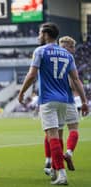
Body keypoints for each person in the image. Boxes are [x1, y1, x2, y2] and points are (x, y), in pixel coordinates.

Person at [18, 22, 89, 185]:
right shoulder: (67, 54)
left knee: (52, 137)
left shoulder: (40, 51)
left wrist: (22, 92)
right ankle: (55, 170)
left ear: (45, 34)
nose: (38, 36)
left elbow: (31, 75)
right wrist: (84, 101)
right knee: (58, 134)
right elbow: (76, 79)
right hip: (65, 100)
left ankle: (61, 174)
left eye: (39, 33)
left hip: (48, 100)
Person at [43, 36, 84, 173]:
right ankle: (68, 153)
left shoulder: (49, 57)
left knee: (53, 133)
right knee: (73, 129)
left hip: (51, 99)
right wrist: (84, 100)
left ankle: (50, 162)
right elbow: (74, 82)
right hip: (68, 100)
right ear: (66, 47)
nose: (73, 50)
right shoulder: (68, 59)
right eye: (72, 47)